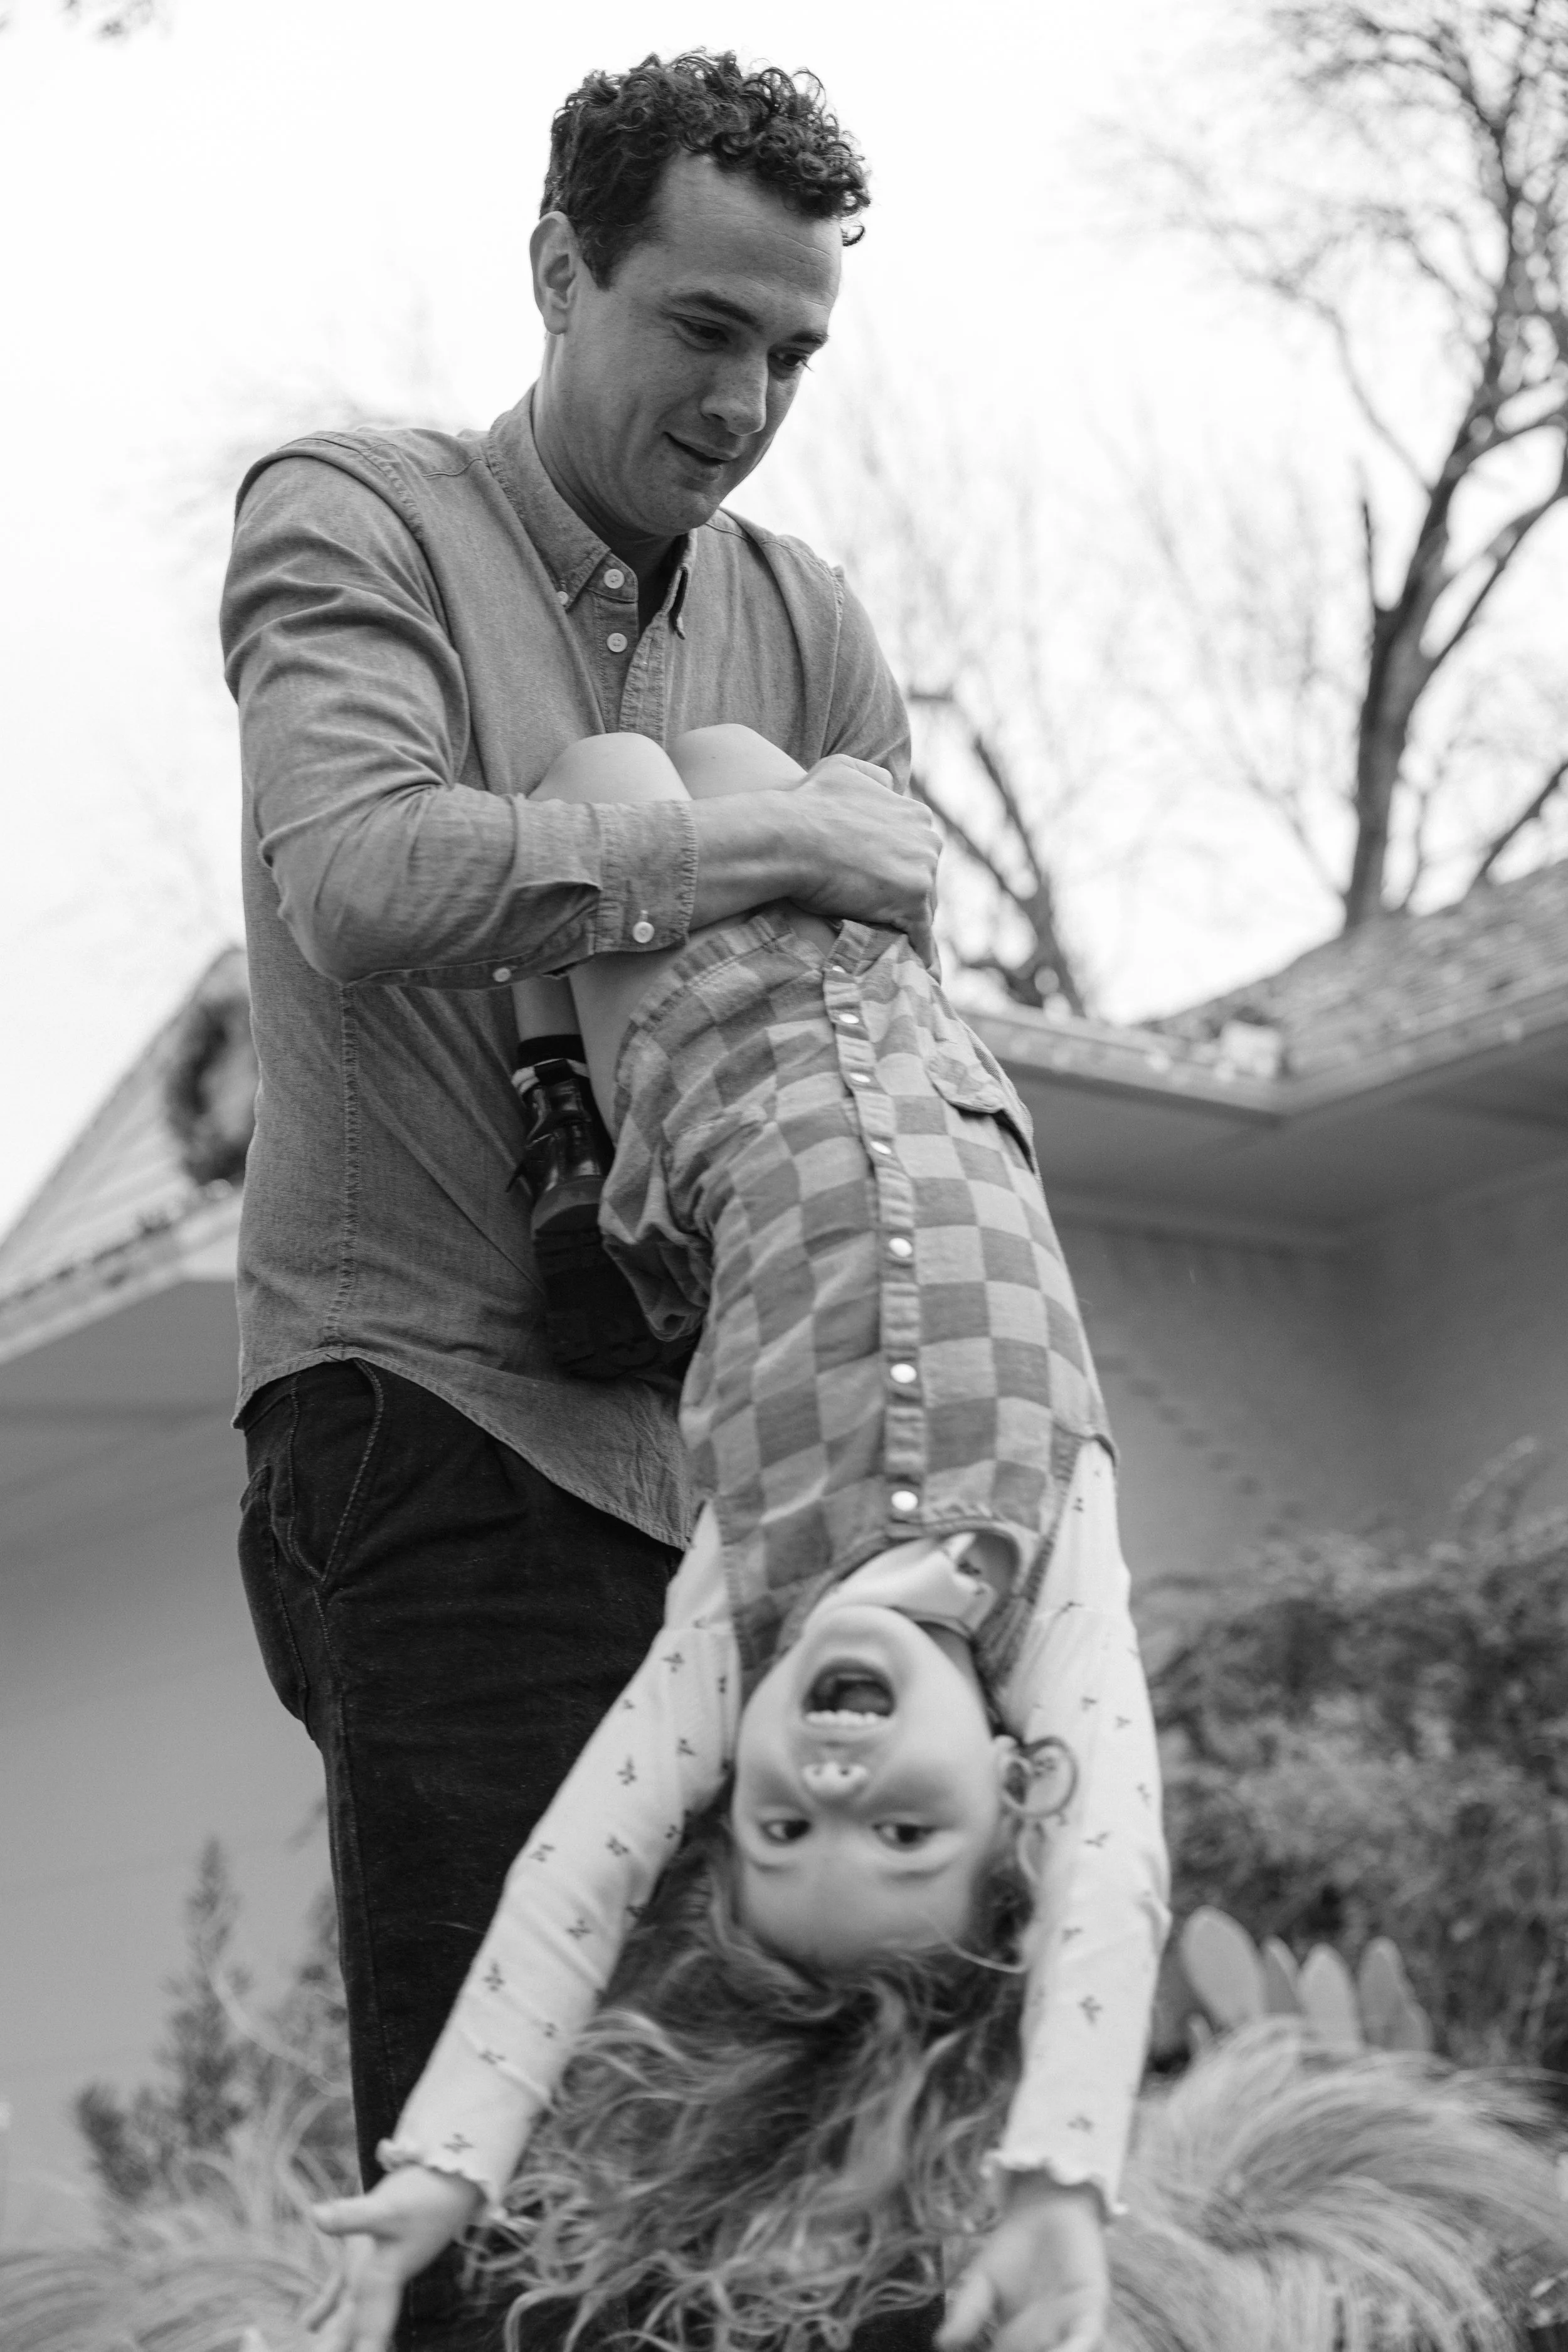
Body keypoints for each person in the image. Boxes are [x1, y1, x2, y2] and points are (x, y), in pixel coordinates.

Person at [221, 55, 937, 2352]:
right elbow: (353, 875)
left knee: (782, 2196)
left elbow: (888, 996)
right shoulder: (352, 512)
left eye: (792, 355)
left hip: (738, 1482)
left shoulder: (801, 622)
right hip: (427, 1425)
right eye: (703, 329)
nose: (745, 403)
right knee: (511, 2209)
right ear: (558, 270)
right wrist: (764, 840)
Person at [300, 728, 1169, 2352]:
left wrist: (447, 2163)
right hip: (905, 1032)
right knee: (742, 754)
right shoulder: (1049, 1577)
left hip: (707, 1078)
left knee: (621, 778)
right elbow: (1117, 1880)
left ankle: (564, 1096)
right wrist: (1057, 2176)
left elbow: (578, 1873)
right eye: (905, 1842)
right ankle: (552, 1091)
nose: (830, 1794)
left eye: (776, 1834)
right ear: (1014, 1789)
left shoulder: (733, 1611)